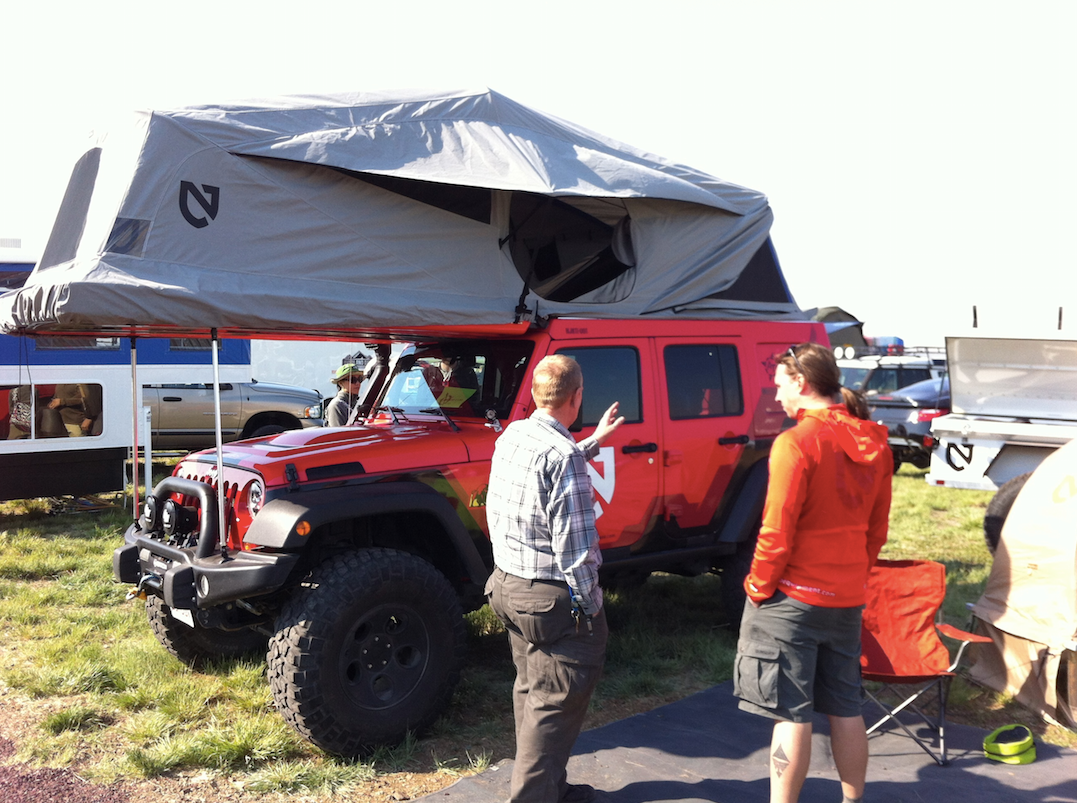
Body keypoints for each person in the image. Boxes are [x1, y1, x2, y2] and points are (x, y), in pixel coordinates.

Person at [733, 343, 892, 803]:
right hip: (845, 597)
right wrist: (852, 577)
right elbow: (876, 530)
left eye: (779, 385)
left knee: (791, 713)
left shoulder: (795, 442)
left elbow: (775, 529)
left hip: (791, 601)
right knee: (846, 708)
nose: (776, 395)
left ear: (801, 384)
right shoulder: (876, 441)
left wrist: (757, 586)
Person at [485, 354, 624, 803]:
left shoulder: (515, 434)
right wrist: (591, 609)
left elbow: (547, 470)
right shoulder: (562, 456)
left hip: (507, 587)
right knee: (554, 704)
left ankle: (551, 789)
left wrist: (593, 442)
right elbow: (578, 553)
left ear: (534, 394)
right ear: (577, 397)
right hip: (550, 600)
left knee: (532, 691)